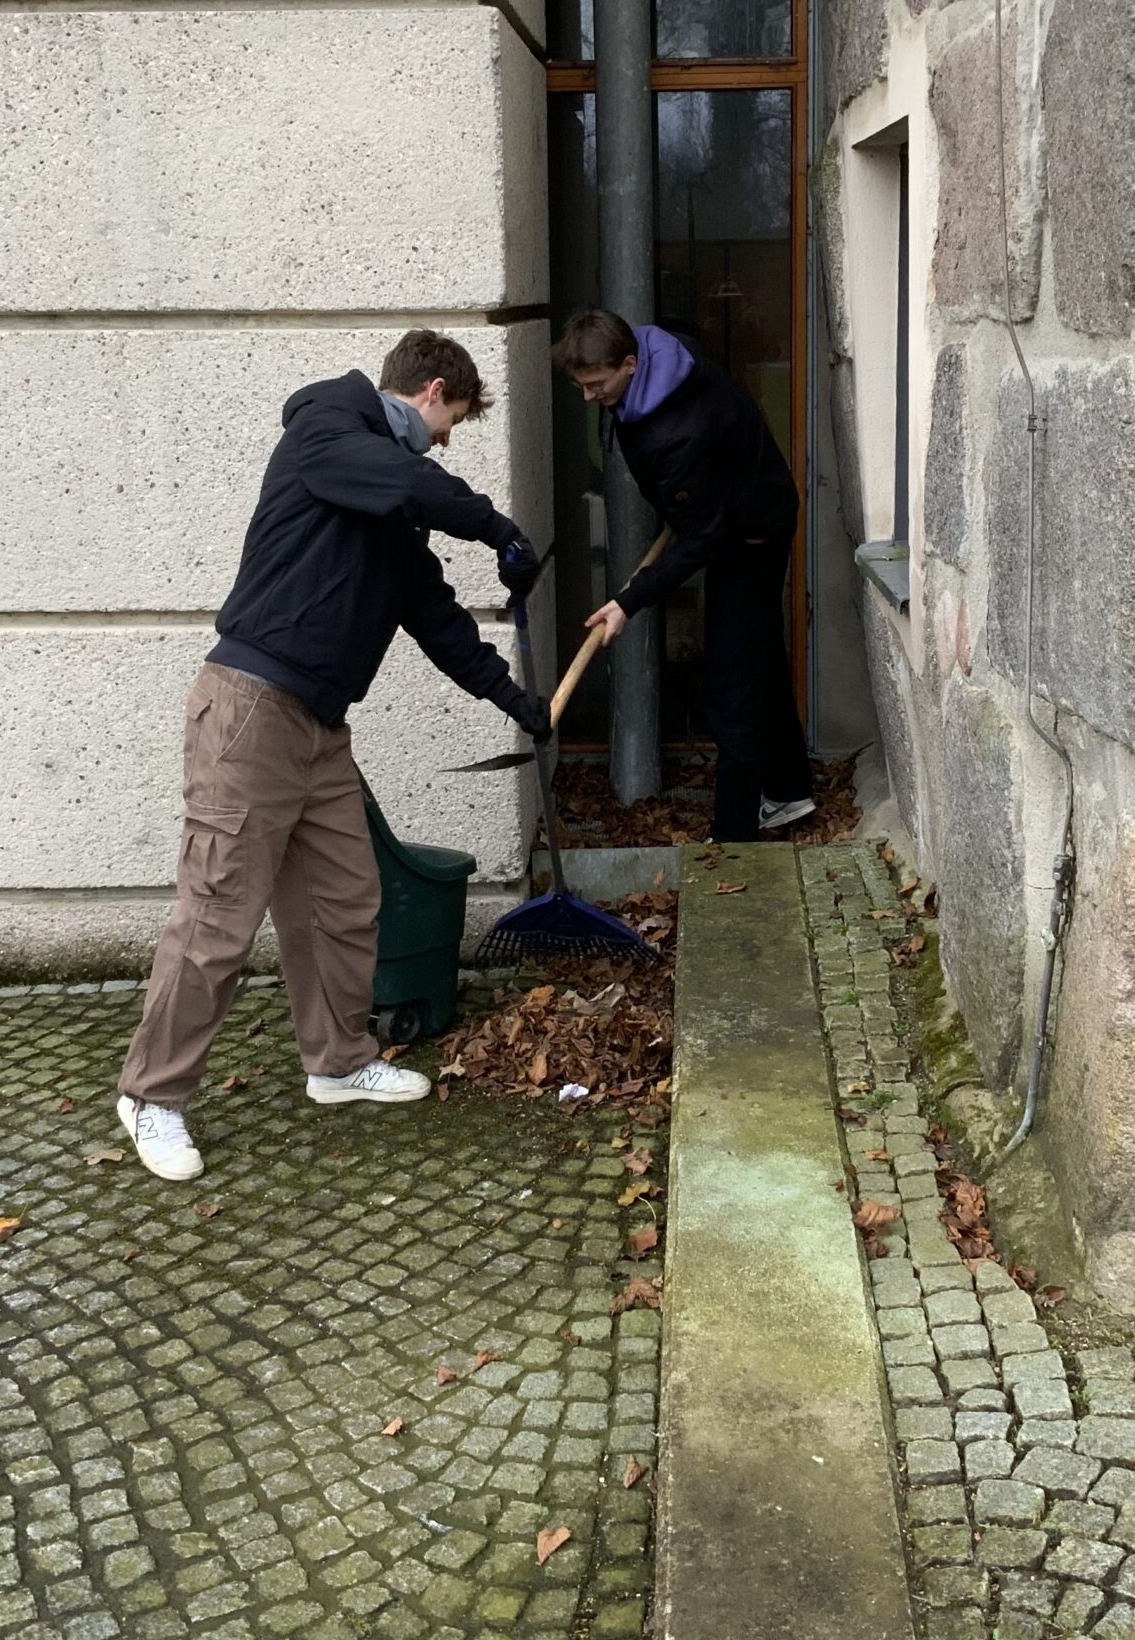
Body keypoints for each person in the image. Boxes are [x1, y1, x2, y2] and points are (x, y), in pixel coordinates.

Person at [115, 330, 547, 1182]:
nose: (444, 443)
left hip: (318, 727)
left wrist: (516, 703)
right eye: (451, 423)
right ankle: (151, 1095)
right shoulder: (327, 430)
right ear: (431, 392)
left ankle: (340, 1061)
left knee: (343, 901)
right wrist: (495, 526)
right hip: (249, 712)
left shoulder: (390, 511)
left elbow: (439, 622)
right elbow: (409, 481)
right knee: (217, 918)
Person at [553, 309, 814, 844]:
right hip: (736, 506)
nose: (588, 396)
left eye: (596, 385)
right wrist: (689, 502)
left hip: (748, 534)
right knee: (759, 654)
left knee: (731, 684)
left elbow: (704, 537)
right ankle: (788, 790)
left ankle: (734, 835)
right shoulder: (664, 356)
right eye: (580, 385)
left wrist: (628, 601)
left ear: (629, 363)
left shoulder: (676, 435)